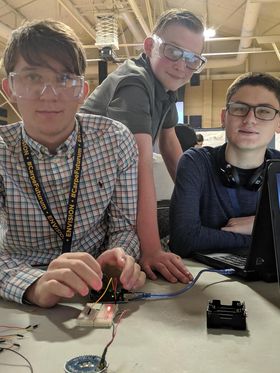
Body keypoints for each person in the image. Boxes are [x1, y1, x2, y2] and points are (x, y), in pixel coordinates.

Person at [0, 19, 146, 308]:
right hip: (20, 295)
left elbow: (124, 228)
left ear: (82, 89)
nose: (49, 94)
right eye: (32, 77)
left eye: (64, 79)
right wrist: (33, 285)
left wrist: (119, 256)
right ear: (10, 87)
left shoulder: (115, 140)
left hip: (94, 287)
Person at [80, 9, 206, 283]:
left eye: (192, 59)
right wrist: (152, 250)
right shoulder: (135, 82)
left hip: (110, 187)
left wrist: (199, 202)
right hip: (84, 197)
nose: (182, 65)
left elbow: (172, 146)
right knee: (166, 228)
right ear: (150, 46)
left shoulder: (165, 88)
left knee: (182, 218)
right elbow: (140, 165)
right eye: (173, 51)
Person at [169, 72, 280, 257]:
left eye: (264, 111)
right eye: (239, 108)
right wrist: (268, 232)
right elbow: (184, 239)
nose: (250, 119)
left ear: (278, 123)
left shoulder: (278, 168)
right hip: (207, 276)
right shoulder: (196, 162)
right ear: (223, 116)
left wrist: (261, 224)